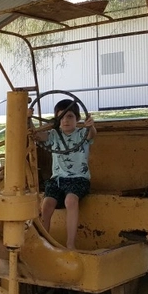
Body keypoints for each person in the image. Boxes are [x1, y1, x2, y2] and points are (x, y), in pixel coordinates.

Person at [33, 99, 96, 249]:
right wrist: (29, 119)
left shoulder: (82, 133)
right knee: (46, 205)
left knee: (70, 201)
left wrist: (91, 125)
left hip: (78, 179)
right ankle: (43, 244)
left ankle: (70, 244)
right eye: (61, 118)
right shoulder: (54, 135)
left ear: (77, 119)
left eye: (69, 117)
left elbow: (92, 135)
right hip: (57, 180)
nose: (65, 121)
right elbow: (36, 135)